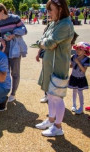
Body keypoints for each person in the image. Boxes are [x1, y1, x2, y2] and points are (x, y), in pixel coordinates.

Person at [35, 0, 74, 137]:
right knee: (50, 95)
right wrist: (44, 43)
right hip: (50, 64)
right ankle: (51, 121)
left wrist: (43, 43)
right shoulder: (55, 23)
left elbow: (50, 42)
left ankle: (58, 126)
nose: (48, 13)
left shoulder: (65, 24)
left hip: (58, 65)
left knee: (57, 97)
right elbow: (45, 39)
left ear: (60, 9)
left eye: (50, 9)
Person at [0, 3, 27, 102]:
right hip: (4, 50)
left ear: (2, 11)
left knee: (15, 73)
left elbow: (24, 30)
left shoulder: (15, 18)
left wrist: (13, 34)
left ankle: (13, 93)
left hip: (15, 49)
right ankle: (5, 91)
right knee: (4, 71)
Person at [68, 42, 90, 115]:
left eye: (80, 49)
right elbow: (71, 66)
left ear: (84, 51)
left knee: (80, 92)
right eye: (77, 49)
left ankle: (81, 107)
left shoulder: (86, 59)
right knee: (74, 91)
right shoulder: (74, 56)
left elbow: (84, 70)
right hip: (73, 77)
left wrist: (78, 62)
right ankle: (74, 105)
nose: (77, 50)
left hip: (80, 78)